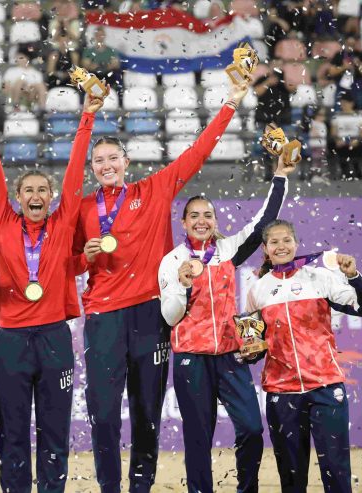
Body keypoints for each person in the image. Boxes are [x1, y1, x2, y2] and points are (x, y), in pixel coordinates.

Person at [73, 77, 249, 493]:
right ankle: (110, 487)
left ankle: (140, 487)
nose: (106, 165)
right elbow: (67, 265)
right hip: (103, 316)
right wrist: (87, 257)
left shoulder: (155, 189)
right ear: (92, 168)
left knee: (147, 412)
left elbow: (198, 152)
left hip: (151, 314)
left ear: (127, 161)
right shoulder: (81, 208)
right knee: (102, 412)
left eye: (112, 157)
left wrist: (230, 103)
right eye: (98, 161)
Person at [0, 76, 104, 493]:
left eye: (43, 189)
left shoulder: (62, 224)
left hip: (54, 339)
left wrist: (88, 116)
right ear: (17, 196)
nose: (36, 194)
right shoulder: (4, 222)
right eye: (28, 190)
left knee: (54, 432)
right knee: (12, 434)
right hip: (9, 339)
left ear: (53, 195)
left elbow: (77, 166)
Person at [157, 153, 295, 493]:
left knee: (251, 428)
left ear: (215, 221)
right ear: (184, 222)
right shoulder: (172, 261)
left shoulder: (228, 250)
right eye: (194, 216)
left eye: (208, 215)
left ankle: (246, 489)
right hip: (192, 358)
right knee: (198, 437)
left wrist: (279, 176)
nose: (201, 221)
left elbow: (264, 223)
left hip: (230, 357)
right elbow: (170, 317)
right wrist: (184, 287)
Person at [246, 220, 362, 492]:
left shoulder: (320, 278)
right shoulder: (257, 289)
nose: (281, 246)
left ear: (296, 244)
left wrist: (353, 276)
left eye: (286, 240)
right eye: (274, 242)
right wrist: (249, 352)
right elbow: (251, 347)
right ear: (266, 249)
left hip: (325, 388)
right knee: (292, 479)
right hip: (282, 394)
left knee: (336, 472)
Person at [331, 93, 362, 179]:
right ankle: (344, 172)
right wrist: (338, 140)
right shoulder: (337, 116)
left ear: (352, 103)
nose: (343, 105)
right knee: (337, 148)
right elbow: (333, 132)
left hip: (356, 140)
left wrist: (357, 140)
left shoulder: (360, 116)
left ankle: (358, 172)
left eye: (345, 103)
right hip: (341, 141)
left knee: (359, 147)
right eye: (342, 103)